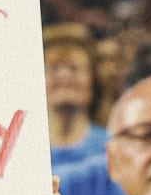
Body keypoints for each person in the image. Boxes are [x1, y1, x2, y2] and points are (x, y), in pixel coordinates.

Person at [44, 23, 107, 170]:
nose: (64, 76)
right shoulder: (23, 152)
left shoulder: (114, 148)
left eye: (74, 68)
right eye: (53, 69)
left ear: (93, 80)